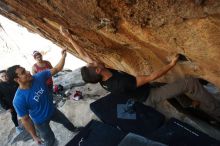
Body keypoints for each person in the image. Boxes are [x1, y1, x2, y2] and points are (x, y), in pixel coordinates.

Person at [60, 27, 220, 122]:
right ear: (97, 70)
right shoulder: (120, 82)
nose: (94, 60)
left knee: (169, 86)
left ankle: (188, 104)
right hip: (149, 95)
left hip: (142, 91)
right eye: (94, 63)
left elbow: (83, 54)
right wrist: (171, 64)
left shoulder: (102, 77)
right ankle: (216, 112)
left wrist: (68, 37)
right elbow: (151, 77)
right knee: (189, 83)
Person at [7, 49, 81, 146]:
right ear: (17, 79)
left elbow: (57, 69)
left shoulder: (38, 77)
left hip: (53, 111)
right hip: (40, 122)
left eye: (25, 70)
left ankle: (74, 129)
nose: (29, 72)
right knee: (49, 140)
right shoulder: (18, 100)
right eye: (23, 72)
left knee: (66, 122)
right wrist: (34, 136)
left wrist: (63, 56)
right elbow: (25, 120)